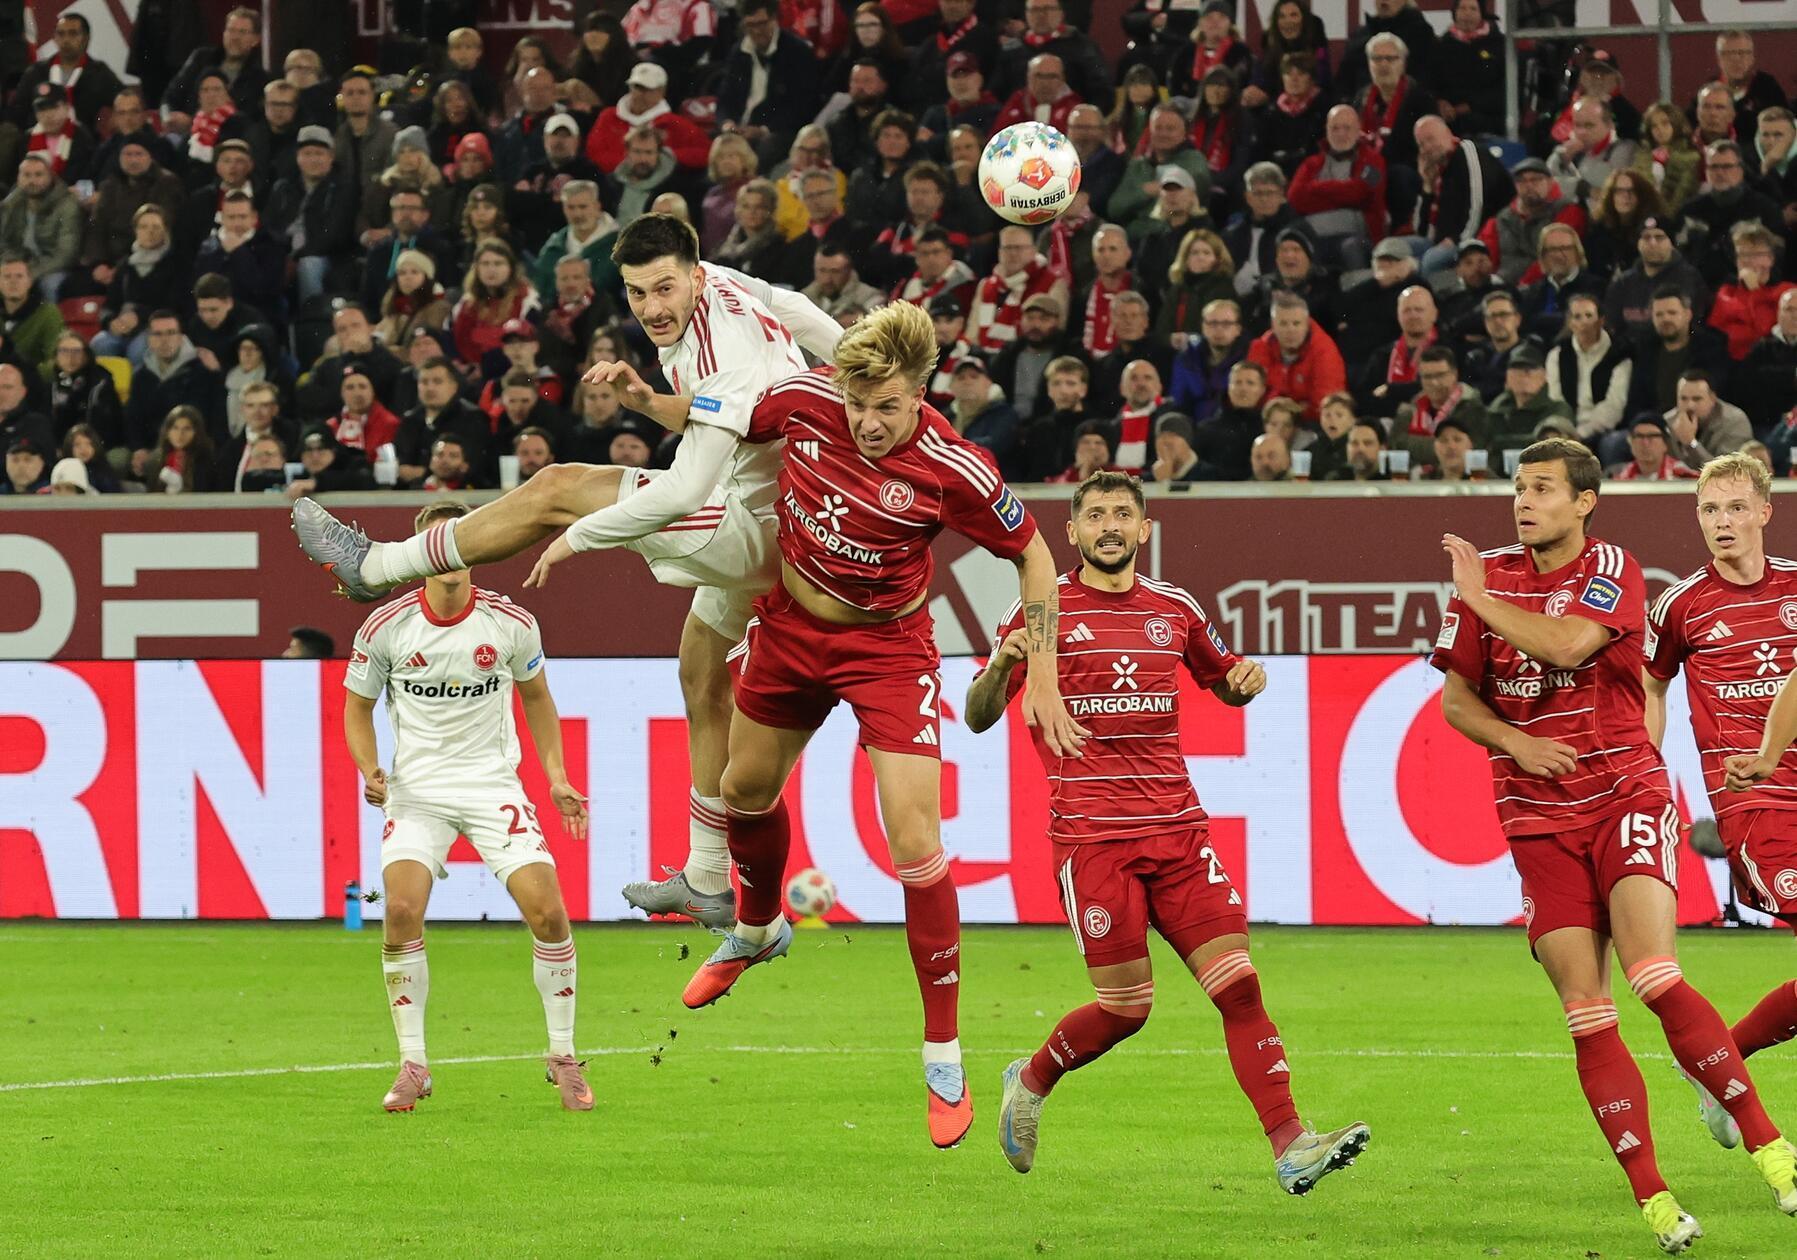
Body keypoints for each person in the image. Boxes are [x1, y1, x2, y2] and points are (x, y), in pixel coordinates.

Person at [295, 215, 844, 933]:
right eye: (638, 292)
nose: (651, 307)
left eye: (664, 288)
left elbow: (682, 490)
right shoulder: (731, 288)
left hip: (757, 527)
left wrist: (577, 537)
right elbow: (794, 310)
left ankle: (378, 565)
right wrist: (857, 366)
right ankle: (708, 879)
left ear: (697, 277)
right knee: (702, 673)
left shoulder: (725, 352)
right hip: (782, 511)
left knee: (557, 486)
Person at [633, 300, 1079, 1148]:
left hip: (888, 650)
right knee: (740, 791)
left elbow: (1033, 553)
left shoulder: (955, 469)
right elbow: (714, 418)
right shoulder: (803, 400)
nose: (869, 423)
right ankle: (759, 930)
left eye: (889, 406)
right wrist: (638, 399)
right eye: (858, 402)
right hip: (790, 630)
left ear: (921, 393)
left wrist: (1043, 674)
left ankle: (942, 1054)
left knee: (915, 842)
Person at [1431, 438, 1797, 1252]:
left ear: (1584, 500)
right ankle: (1655, 1199)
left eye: (1541, 488)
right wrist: (1514, 742)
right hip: (1536, 812)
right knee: (1587, 1013)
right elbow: (1457, 701)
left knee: (1654, 976)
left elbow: (1566, 646)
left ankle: (1771, 1149)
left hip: (1619, 794)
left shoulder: (1612, 568)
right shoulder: (1665, 602)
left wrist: (1477, 598)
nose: (1523, 501)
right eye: (1517, 487)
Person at [966, 465, 1369, 1180]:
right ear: (1072, 531)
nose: (1110, 526)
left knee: (1239, 985)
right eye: (1095, 516)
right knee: (1125, 1009)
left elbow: (1224, 679)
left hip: (1180, 834)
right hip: (1092, 840)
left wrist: (1246, 681)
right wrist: (1001, 665)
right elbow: (977, 715)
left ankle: (1290, 1145)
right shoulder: (1042, 608)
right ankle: (1028, 1081)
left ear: (1145, 527)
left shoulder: (1174, 608)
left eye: (1123, 513)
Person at [343, 500, 592, 1115]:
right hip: (418, 789)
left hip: (491, 786)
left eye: (462, 542)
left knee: (550, 914)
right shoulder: (386, 627)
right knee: (400, 910)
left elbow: (537, 698)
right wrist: (369, 769)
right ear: (421, 553)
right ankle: (413, 1064)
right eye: (439, 543)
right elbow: (355, 707)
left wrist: (556, 777)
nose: (452, 555)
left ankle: (562, 1054)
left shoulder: (511, 623)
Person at [1651, 455, 1797, 1149]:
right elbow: (1646, 689)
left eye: (1736, 508)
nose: (1722, 523)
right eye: (1709, 511)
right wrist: (1647, 774)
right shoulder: (1679, 605)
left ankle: (1718, 1064)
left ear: (1764, 512)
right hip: (1754, 806)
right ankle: (1723, 1066)